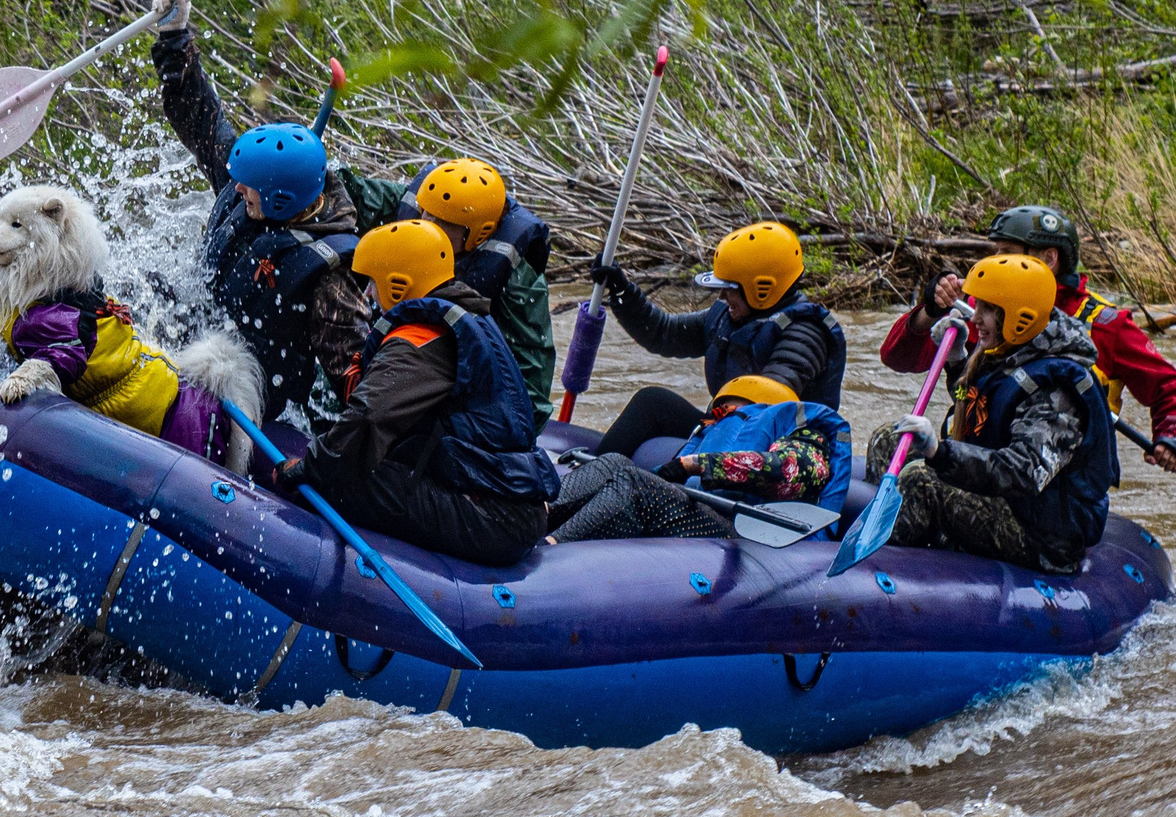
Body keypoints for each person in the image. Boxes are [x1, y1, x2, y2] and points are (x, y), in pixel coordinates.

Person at [274, 220, 558, 567]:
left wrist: (310, 467)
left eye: (372, 283)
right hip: (503, 504)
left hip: (494, 518)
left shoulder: (420, 338)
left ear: (399, 285)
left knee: (334, 481)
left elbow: (368, 416)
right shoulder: (469, 318)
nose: (366, 295)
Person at [150, 0, 368, 424]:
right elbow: (202, 119)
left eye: (248, 187)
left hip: (255, 395)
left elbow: (352, 375)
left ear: (280, 200)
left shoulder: (330, 275)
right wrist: (174, 40)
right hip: (207, 334)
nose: (237, 188)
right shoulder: (255, 180)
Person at [883, 204, 1176, 473]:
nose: (995, 262)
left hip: (1042, 470)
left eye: (1006, 253)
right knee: (890, 441)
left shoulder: (1105, 325)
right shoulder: (988, 310)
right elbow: (897, 359)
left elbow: (1169, 387)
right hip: (972, 452)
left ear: (1048, 258)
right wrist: (930, 312)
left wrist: (1172, 437)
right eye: (996, 253)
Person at [871, 254, 1120, 574]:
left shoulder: (1059, 391)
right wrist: (959, 361)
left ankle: (887, 572)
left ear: (1020, 316)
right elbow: (984, 408)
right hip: (1006, 500)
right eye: (980, 305)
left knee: (923, 480)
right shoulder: (1014, 345)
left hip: (1043, 534)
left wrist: (939, 451)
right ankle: (908, 530)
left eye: (988, 310)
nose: (975, 318)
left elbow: (1024, 472)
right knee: (887, 441)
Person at [588, 220, 849, 460]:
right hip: (730, 430)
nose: (722, 295)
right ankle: (591, 474)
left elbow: (764, 409)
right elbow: (663, 333)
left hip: (780, 450)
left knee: (656, 405)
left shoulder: (805, 333)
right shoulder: (730, 315)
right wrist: (623, 291)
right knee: (652, 403)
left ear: (762, 287)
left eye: (730, 287)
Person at [342, 159, 558, 423]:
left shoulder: (518, 279)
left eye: (443, 222)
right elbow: (352, 191)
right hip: (400, 352)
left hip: (457, 374)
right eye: (426, 213)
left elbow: (532, 388)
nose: (427, 225)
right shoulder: (424, 203)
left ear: (479, 234)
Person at [546, 375, 852, 544]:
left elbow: (784, 473)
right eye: (716, 414)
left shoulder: (807, 435)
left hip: (748, 536)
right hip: (704, 512)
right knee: (613, 462)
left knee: (637, 483)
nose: (716, 420)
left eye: (726, 413)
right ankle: (532, 517)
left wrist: (694, 465)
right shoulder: (709, 432)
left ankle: (548, 549)